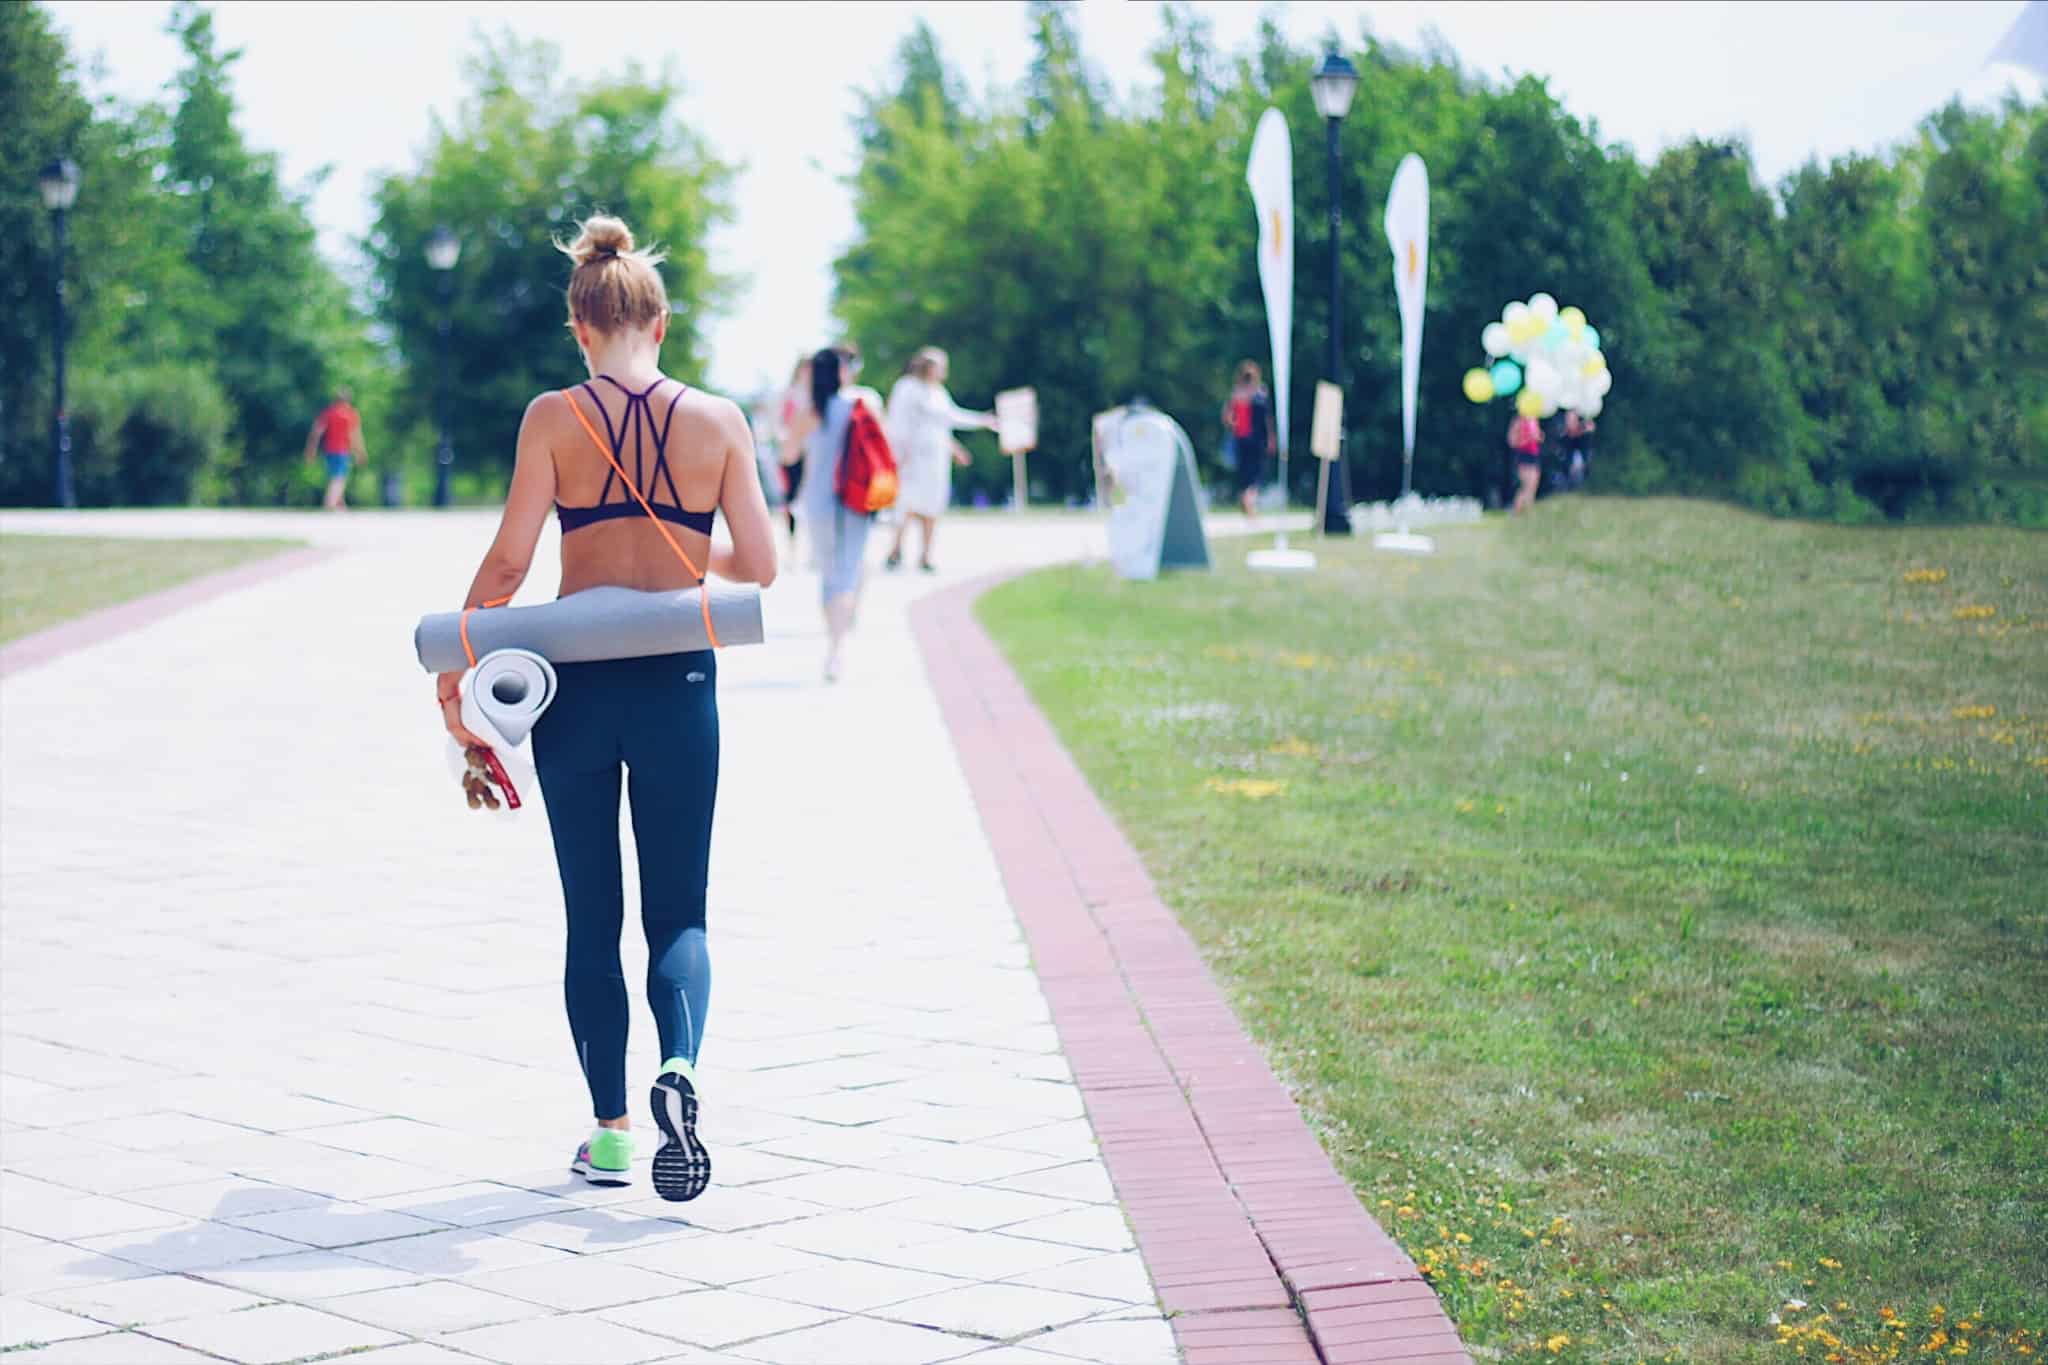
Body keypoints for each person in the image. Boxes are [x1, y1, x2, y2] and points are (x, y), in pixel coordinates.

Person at [435, 214, 777, 1201]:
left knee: (593, 917)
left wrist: (455, 665)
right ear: (659, 325)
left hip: (576, 688)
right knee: (679, 911)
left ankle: (614, 1135)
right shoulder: (719, 421)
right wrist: (681, 534)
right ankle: (680, 1066)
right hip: (679, 682)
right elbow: (759, 565)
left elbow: (510, 563)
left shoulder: (552, 417)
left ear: (579, 330)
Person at [780, 346, 869, 682]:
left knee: (830, 574)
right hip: (857, 500)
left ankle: (835, 648)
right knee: (850, 570)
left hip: (818, 501)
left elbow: (788, 456)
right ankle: (841, 638)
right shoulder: (861, 405)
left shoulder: (808, 412)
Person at [884, 347, 996, 573]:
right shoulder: (907, 388)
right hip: (912, 458)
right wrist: (898, 453)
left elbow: (943, 424)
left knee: (933, 506)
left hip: (935, 459)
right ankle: (895, 551)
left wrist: (955, 448)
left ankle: (925, 556)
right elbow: (899, 422)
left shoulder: (938, 392)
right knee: (907, 505)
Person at [1220, 361, 1275, 519]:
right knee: (1257, 474)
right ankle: (1249, 502)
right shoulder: (1261, 393)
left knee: (1245, 473)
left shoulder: (1236, 394)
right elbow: (1268, 418)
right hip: (1258, 439)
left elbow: (1226, 417)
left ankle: (1246, 501)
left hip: (1241, 438)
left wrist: (1233, 425)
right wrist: (1271, 438)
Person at [304, 387, 367, 511]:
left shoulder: (328, 413)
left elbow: (316, 432)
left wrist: (311, 449)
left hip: (329, 450)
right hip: (342, 450)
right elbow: (355, 435)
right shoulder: (350, 414)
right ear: (348, 400)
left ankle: (340, 505)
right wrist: (361, 452)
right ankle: (330, 503)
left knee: (334, 476)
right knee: (339, 478)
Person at [1508, 410, 1544, 514]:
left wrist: (1538, 436)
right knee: (1527, 486)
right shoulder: (1518, 421)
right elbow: (1512, 441)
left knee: (1533, 486)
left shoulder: (1533, 419)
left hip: (1534, 455)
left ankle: (1527, 511)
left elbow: (1538, 437)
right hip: (1524, 455)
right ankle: (1517, 511)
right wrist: (1526, 439)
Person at [1563, 410, 1596, 490]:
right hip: (1570, 460)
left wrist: (1587, 431)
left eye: (1571, 418)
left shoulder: (1584, 429)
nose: (1569, 421)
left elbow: (1587, 444)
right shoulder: (1564, 432)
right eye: (1568, 419)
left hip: (1582, 459)